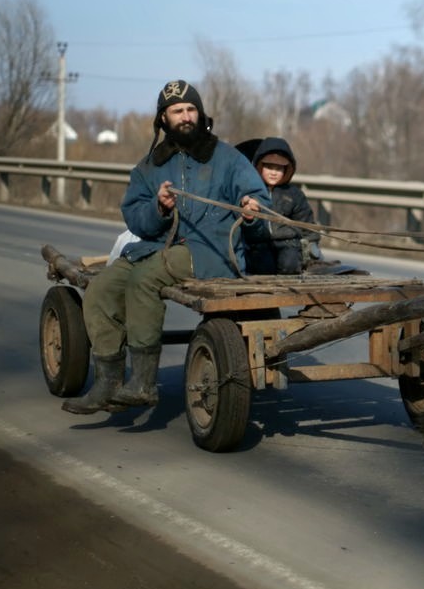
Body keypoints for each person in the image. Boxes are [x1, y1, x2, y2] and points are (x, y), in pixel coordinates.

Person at [63, 80, 269, 416]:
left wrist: (251, 209)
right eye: (177, 111)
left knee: (145, 278)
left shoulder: (228, 158)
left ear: (201, 114)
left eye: (191, 109)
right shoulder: (149, 167)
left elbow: (259, 200)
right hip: (158, 246)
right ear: (163, 119)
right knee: (101, 288)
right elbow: (135, 219)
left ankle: (144, 383)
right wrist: (159, 208)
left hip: (211, 251)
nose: (186, 116)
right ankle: (107, 382)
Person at [240, 137, 321, 275]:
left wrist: (311, 245)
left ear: (287, 169)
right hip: (259, 243)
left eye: (279, 168)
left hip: (288, 243)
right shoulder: (250, 192)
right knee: (261, 266)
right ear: (259, 166)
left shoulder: (294, 194)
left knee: (289, 263)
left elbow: (306, 222)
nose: (273, 172)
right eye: (269, 167)